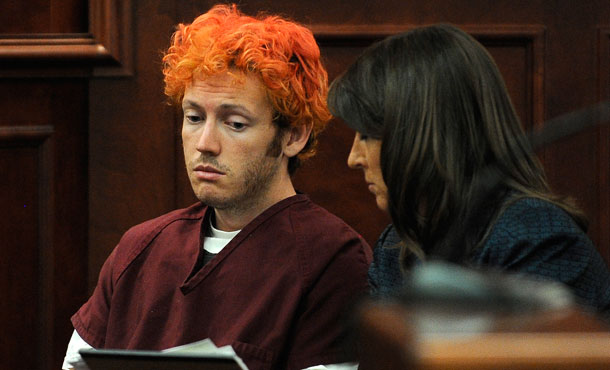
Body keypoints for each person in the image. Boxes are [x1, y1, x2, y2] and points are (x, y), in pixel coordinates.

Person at [63, 4, 372, 370]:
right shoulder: (140, 247)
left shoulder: (332, 260)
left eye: (235, 123)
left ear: (294, 136)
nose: (204, 143)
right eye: (194, 117)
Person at [327, 24, 610, 317]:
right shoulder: (395, 248)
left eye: (367, 135)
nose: (353, 158)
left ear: (421, 132)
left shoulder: (535, 238)